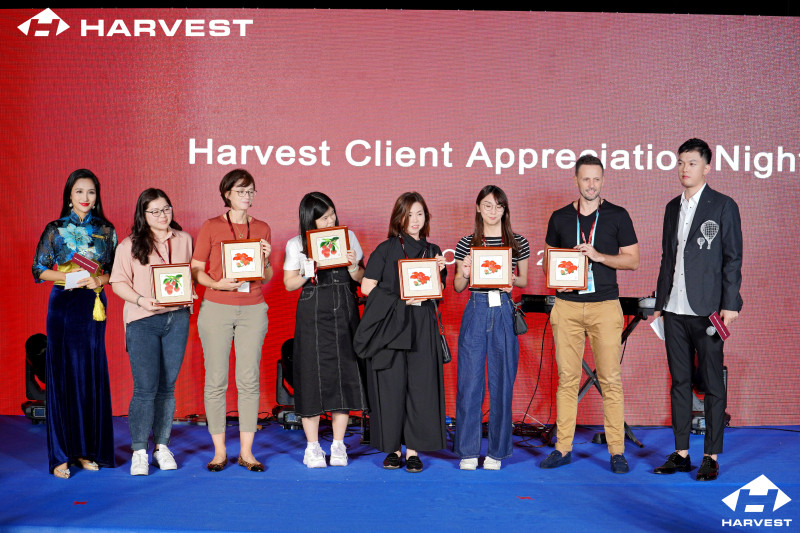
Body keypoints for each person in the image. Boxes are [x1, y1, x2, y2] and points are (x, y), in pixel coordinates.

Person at [540, 154, 639, 474]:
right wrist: (565, 264)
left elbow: (632, 260)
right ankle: (563, 448)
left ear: (603, 180)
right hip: (567, 306)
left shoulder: (618, 215)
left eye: (597, 179)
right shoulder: (559, 218)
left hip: (605, 306)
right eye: (586, 179)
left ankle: (617, 451)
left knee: (610, 379)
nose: (591, 184)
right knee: (567, 379)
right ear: (576, 180)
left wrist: (597, 256)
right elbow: (547, 265)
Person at [653, 138, 743, 481]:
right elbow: (668, 258)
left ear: (707, 167)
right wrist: (660, 304)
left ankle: (711, 456)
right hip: (673, 310)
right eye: (680, 162)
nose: (684, 169)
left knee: (712, 385)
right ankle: (681, 453)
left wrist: (730, 303)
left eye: (691, 163)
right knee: (679, 382)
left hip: (708, 311)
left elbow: (732, 258)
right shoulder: (671, 207)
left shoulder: (723, 205)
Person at [32, 169, 117, 479]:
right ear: (69, 195)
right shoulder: (55, 230)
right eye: (79, 191)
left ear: (97, 197)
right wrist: (69, 276)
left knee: (89, 375)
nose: (85, 197)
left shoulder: (106, 230)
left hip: (93, 305)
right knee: (63, 376)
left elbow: (114, 272)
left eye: (91, 192)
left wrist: (99, 280)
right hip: (64, 305)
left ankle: (86, 451)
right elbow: (38, 269)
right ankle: (61, 454)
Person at [354, 192, 447, 473]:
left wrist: (439, 272)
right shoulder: (385, 249)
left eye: (420, 214)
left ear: (426, 217)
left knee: (420, 388)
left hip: (422, 327)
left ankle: (413, 451)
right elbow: (367, 287)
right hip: (391, 327)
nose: (415, 220)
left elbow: (439, 292)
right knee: (391, 388)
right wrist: (400, 300)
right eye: (409, 215)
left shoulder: (433, 251)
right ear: (399, 218)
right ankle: (393, 449)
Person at [191, 169, 272, 472]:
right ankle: (219, 451)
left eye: (251, 191)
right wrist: (215, 284)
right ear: (227, 193)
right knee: (216, 380)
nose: (246, 196)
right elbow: (196, 269)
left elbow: (266, 275)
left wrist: (265, 259)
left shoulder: (262, 228)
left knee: (248, 380)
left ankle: (247, 452)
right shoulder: (211, 226)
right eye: (241, 191)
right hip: (217, 307)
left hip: (253, 308)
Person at [110, 189, 192, 475]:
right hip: (142, 320)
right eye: (155, 211)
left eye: (166, 208)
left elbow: (188, 275)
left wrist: (190, 292)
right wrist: (141, 300)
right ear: (143, 215)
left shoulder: (184, 240)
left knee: (167, 387)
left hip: (177, 319)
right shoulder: (129, 245)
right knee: (145, 388)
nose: (162, 215)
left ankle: (162, 446)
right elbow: (118, 282)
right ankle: (139, 451)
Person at [283, 192, 368, 468]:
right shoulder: (296, 244)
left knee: (343, 374)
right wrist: (308, 270)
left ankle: (338, 445)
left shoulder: (348, 237)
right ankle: (312, 447)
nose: (331, 221)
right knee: (311, 376)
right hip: (312, 312)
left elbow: (362, 278)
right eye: (324, 218)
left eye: (332, 214)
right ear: (310, 220)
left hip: (344, 309)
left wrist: (353, 265)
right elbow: (289, 283)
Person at [452, 185, 530, 471]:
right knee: (469, 382)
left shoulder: (518, 242)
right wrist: (465, 272)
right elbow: (458, 286)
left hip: (504, 309)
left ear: (505, 209)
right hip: (476, 307)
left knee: (502, 382)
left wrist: (511, 280)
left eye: (498, 206)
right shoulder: (466, 243)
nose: (493, 211)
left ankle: (497, 452)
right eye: (487, 205)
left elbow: (523, 280)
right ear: (478, 208)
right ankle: (468, 450)